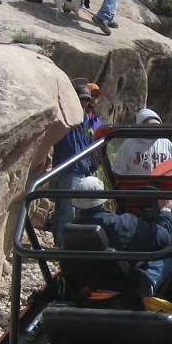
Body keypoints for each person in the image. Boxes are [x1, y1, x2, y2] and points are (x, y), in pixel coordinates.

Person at [69, 175, 172, 298]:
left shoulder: (71, 228)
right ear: (104, 199)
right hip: (130, 288)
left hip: (88, 286)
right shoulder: (123, 224)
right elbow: (165, 236)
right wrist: (166, 211)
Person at [50, 83, 103, 243]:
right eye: (82, 99)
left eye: (87, 100)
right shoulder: (66, 116)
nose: (85, 103)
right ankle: (62, 245)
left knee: (83, 210)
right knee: (67, 211)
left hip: (85, 170)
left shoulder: (89, 120)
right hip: (68, 170)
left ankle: (76, 244)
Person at [112, 108, 172, 175]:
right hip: (136, 186)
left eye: (156, 126)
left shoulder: (166, 143)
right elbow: (118, 170)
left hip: (161, 186)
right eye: (150, 126)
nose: (153, 129)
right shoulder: (129, 144)